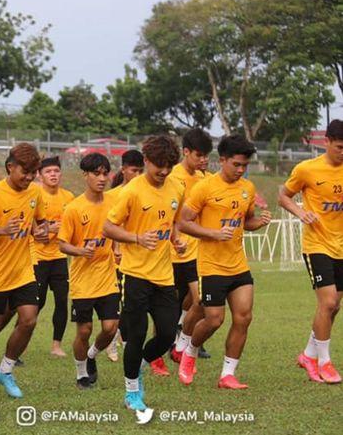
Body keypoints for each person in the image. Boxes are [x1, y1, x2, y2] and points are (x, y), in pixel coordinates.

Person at [177, 134, 271, 389]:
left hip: (238, 264)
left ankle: (228, 374)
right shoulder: (204, 188)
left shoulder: (247, 189)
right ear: (223, 160)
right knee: (214, 319)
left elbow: (246, 221)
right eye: (236, 165)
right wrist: (213, 233)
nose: (241, 170)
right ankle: (190, 352)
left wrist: (258, 223)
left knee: (244, 317)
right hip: (211, 266)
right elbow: (183, 222)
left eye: (245, 165)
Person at [103, 135, 184, 414]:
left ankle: (137, 363)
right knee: (135, 336)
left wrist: (176, 239)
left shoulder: (176, 187)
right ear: (146, 161)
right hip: (135, 274)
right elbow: (108, 228)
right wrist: (137, 238)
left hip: (164, 275)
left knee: (166, 335)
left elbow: (172, 220)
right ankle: (132, 392)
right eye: (159, 165)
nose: (163, 171)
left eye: (169, 166)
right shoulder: (132, 191)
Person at [0, 143, 47, 400]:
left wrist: (41, 231)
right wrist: (2, 229)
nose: (29, 177)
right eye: (24, 172)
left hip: (24, 270)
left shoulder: (35, 192)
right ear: (10, 167)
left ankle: (5, 370)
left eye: (33, 172)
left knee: (29, 320)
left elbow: (39, 222)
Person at [278, 119, 343, 384]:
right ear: (326, 142)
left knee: (333, 307)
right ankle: (325, 362)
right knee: (327, 302)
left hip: (341, 245)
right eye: (339, 146)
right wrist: (301, 212)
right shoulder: (307, 169)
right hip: (317, 245)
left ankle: (307, 354)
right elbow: (283, 196)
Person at [58, 153, 119, 389]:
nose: (102, 178)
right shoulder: (74, 208)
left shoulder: (113, 203)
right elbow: (62, 244)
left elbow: (118, 229)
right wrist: (80, 251)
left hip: (107, 275)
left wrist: (118, 247)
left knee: (110, 327)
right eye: (96, 173)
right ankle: (81, 372)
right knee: (84, 330)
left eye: (105, 173)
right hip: (83, 280)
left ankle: (92, 354)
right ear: (86, 175)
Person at [168, 129, 214, 369]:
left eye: (206, 155)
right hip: (175, 250)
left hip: (198, 250)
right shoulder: (173, 177)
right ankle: (171, 340)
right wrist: (175, 238)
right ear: (186, 152)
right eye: (199, 155)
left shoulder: (205, 178)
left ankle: (185, 340)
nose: (203, 160)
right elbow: (170, 214)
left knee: (200, 300)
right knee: (173, 302)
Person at [105, 149, 144, 362]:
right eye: (133, 170)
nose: (137, 175)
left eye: (140, 171)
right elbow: (109, 226)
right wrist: (116, 248)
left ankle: (122, 335)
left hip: (136, 258)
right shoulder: (111, 196)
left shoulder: (144, 193)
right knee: (115, 302)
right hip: (112, 259)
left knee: (129, 304)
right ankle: (111, 339)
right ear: (124, 170)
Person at [34, 156, 74, 357]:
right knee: (35, 303)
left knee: (61, 300)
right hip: (38, 257)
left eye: (56, 171)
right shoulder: (35, 196)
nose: (53, 175)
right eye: (48, 172)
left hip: (59, 257)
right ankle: (20, 341)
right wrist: (50, 228)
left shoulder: (68, 197)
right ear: (40, 175)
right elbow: (34, 231)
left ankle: (56, 345)